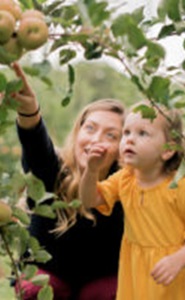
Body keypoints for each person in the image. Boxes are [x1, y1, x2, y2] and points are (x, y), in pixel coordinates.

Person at [79, 100, 185, 300]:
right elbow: (89, 200)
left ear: (168, 149)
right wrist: (91, 171)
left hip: (173, 273)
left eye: (142, 133)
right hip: (137, 270)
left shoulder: (181, 186)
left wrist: (178, 260)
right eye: (126, 132)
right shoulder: (125, 179)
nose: (129, 140)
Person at [11, 62, 126, 300]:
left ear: (122, 148)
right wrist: (29, 110)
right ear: (78, 132)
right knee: (41, 287)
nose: (96, 139)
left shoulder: (125, 185)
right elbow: (35, 144)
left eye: (111, 135)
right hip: (50, 278)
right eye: (90, 128)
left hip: (99, 281)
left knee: (109, 292)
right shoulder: (52, 171)